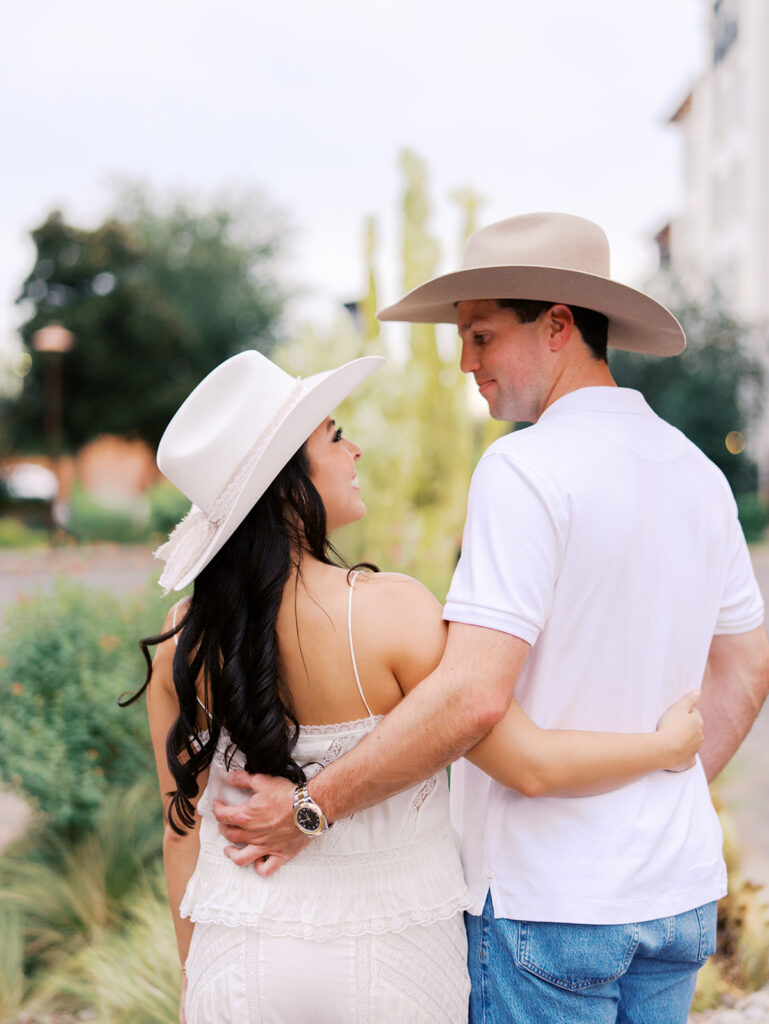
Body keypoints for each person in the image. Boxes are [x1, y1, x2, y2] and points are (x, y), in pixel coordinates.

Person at [212, 213, 769, 1024]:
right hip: (675, 897)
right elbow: (746, 670)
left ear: (557, 325)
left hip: (548, 903)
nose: (465, 363)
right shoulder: (698, 474)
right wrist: (650, 804)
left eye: (480, 337)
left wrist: (309, 810)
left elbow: (472, 697)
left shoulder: (523, 467)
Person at [134, 343, 704, 1024]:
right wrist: (666, 746)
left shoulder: (183, 640)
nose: (355, 450)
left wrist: (192, 978)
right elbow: (528, 764)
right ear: (286, 486)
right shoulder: (391, 613)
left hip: (235, 967)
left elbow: (180, 833)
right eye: (334, 436)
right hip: (390, 969)